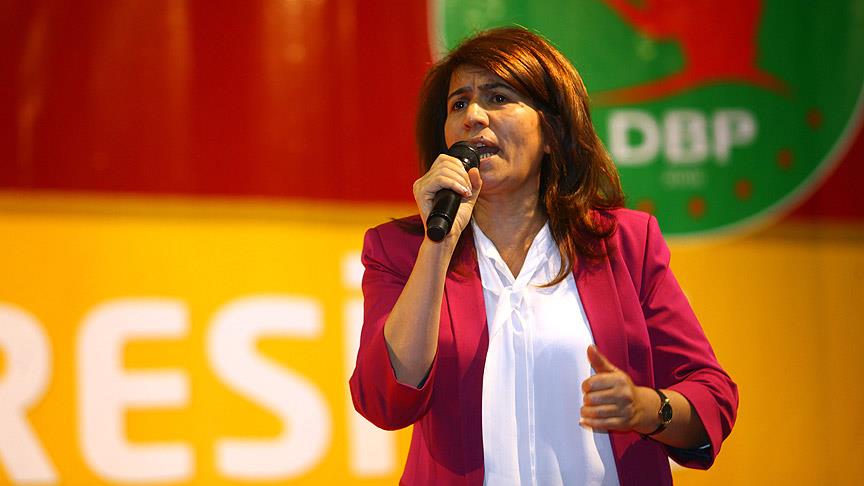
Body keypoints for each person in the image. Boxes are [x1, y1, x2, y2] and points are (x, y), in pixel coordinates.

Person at [349, 26, 737, 486]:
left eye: (498, 98)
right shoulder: (400, 250)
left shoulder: (624, 243)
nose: (473, 116)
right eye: (459, 104)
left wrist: (644, 408)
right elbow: (384, 401)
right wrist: (438, 245)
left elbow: (712, 397)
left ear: (552, 132)